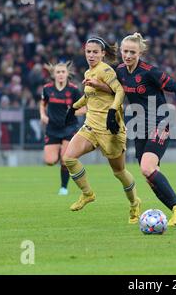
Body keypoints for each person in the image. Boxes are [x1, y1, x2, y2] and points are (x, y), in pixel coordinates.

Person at [113, 32, 176, 226]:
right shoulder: (119, 71)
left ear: (140, 52)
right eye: (125, 51)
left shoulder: (149, 71)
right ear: (121, 51)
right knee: (150, 175)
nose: (128, 55)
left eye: (132, 52)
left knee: (147, 167)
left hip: (160, 121)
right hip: (139, 126)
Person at [62, 36, 141, 224]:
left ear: (103, 54)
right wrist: (73, 107)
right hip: (90, 127)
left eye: (95, 52)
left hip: (110, 129)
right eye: (88, 52)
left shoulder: (106, 70)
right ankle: (87, 194)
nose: (91, 55)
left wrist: (113, 110)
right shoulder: (89, 72)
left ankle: (134, 204)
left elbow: (120, 91)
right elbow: (90, 96)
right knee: (68, 158)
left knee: (119, 172)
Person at [40, 62, 83, 195]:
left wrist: (72, 113)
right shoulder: (47, 89)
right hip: (52, 128)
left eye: (63, 72)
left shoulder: (73, 90)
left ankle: (63, 188)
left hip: (69, 128)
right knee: (49, 161)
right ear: (53, 74)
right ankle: (61, 155)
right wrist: (42, 115)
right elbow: (42, 104)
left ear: (67, 74)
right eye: (58, 72)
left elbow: (84, 107)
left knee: (66, 160)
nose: (60, 74)